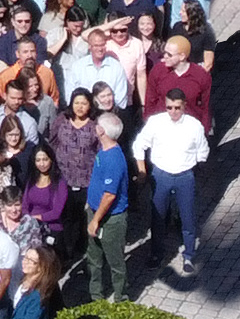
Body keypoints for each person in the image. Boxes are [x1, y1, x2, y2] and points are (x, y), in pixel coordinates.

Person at [136, 88, 210, 274]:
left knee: (188, 218)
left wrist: (197, 169)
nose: (173, 112)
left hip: (185, 176)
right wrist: (142, 170)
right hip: (161, 175)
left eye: (177, 107)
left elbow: (203, 151)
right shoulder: (156, 123)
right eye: (169, 107)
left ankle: (189, 255)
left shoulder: (194, 126)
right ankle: (157, 253)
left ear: (184, 105)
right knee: (158, 217)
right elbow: (139, 144)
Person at [86, 114, 130, 301]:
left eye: (97, 125)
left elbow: (110, 194)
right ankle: (96, 296)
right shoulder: (104, 151)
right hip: (95, 212)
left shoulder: (113, 159)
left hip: (111, 219)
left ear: (101, 131)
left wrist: (95, 220)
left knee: (115, 262)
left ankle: (121, 298)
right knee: (94, 258)